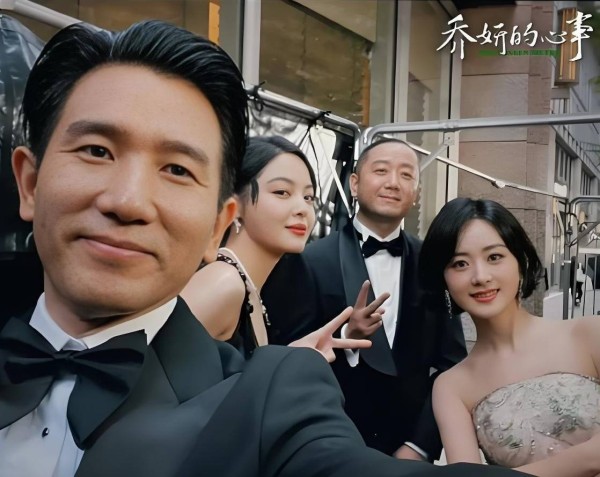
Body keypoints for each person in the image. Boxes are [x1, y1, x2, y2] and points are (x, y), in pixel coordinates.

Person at [0, 19, 528, 477]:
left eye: (176, 169)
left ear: (217, 222)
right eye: (97, 151)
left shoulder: (268, 403)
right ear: (29, 182)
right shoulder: (278, 272)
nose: (128, 201)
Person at [263, 138, 468, 459]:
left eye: (406, 175)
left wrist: (419, 446)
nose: (393, 182)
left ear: (416, 192)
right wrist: (347, 335)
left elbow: (452, 366)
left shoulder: (434, 266)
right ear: (355, 184)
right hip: (328, 447)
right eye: (381, 171)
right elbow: (282, 357)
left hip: (409, 455)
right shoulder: (308, 260)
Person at [420, 198, 600, 476]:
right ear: (443, 279)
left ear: (521, 261)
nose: (480, 276)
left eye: (494, 257)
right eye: (460, 264)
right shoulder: (450, 387)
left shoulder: (589, 334)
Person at [181, 135, 377, 361]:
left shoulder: (246, 289)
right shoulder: (223, 283)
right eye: (282, 192)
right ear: (235, 204)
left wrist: (286, 361)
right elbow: (150, 372)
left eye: (308, 197)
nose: (302, 209)